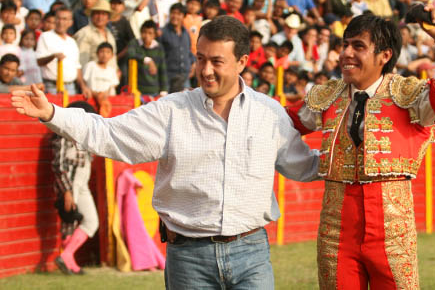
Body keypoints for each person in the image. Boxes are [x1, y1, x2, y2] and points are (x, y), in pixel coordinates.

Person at [11, 15, 319, 289]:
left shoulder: (269, 113)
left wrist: (356, 153)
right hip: (189, 258)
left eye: (216, 61)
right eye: (200, 59)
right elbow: (108, 133)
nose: (205, 70)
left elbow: (303, 166)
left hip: (250, 250)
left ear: (242, 62)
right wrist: (52, 113)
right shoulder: (172, 111)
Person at [287, 9, 435, 289]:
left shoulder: (410, 96)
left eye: (358, 46)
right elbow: (282, 122)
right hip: (336, 231)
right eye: (345, 44)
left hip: (393, 233)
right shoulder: (326, 95)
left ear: (384, 56)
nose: (346, 53)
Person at [52, 100, 99, 275]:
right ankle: (69, 260)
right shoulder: (62, 134)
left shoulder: (85, 135)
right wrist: (66, 191)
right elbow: (58, 165)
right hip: (70, 184)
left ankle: (67, 256)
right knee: (69, 223)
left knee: (91, 221)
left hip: (82, 182)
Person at [37, 7, 86, 96]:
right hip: (52, 86)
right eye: (58, 18)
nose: (60, 22)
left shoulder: (72, 41)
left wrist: (83, 87)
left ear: (71, 22)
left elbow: (77, 67)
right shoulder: (45, 36)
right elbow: (39, 61)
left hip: (71, 86)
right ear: (55, 20)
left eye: (64, 19)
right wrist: (53, 56)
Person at [158, 2, 195, 93]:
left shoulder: (186, 32)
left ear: (183, 16)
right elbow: (158, 54)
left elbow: (188, 52)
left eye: (179, 14)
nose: (175, 16)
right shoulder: (162, 32)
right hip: (168, 76)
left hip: (185, 76)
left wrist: (193, 64)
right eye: (173, 13)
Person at [74, 0, 117, 73]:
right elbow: (81, 60)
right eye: (97, 13)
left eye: (104, 14)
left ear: (108, 18)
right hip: (91, 77)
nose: (100, 17)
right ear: (92, 15)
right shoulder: (85, 33)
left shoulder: (109, 34)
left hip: (109, 78)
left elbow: (113, 58)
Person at [126, 20, 167, 96]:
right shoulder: (135, 43)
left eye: (150, 33)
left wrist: (164, 90)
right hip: (137, 91)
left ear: (154, 35)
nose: (146, 36)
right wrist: (147, 60)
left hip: (154, 90)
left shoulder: (159, 47)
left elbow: (163, 69)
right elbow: (130, 53)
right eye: (144, 32)